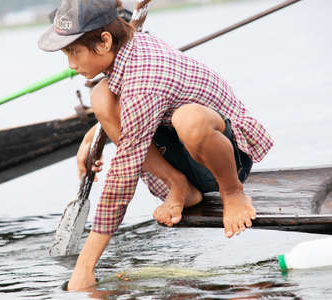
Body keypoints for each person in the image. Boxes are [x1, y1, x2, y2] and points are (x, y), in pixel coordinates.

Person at [38, 0, 273, 291]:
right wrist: (93, 135)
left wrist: (85, 267)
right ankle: (181, 187)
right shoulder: (128, 46)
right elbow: (132, 112)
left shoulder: (144, 78)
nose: (71, 65)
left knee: (190, 119)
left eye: (74, 51)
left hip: (228, 157)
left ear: (105, 41)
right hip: (184, 153)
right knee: (101, 96)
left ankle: (232, 193)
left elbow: (122, 178)